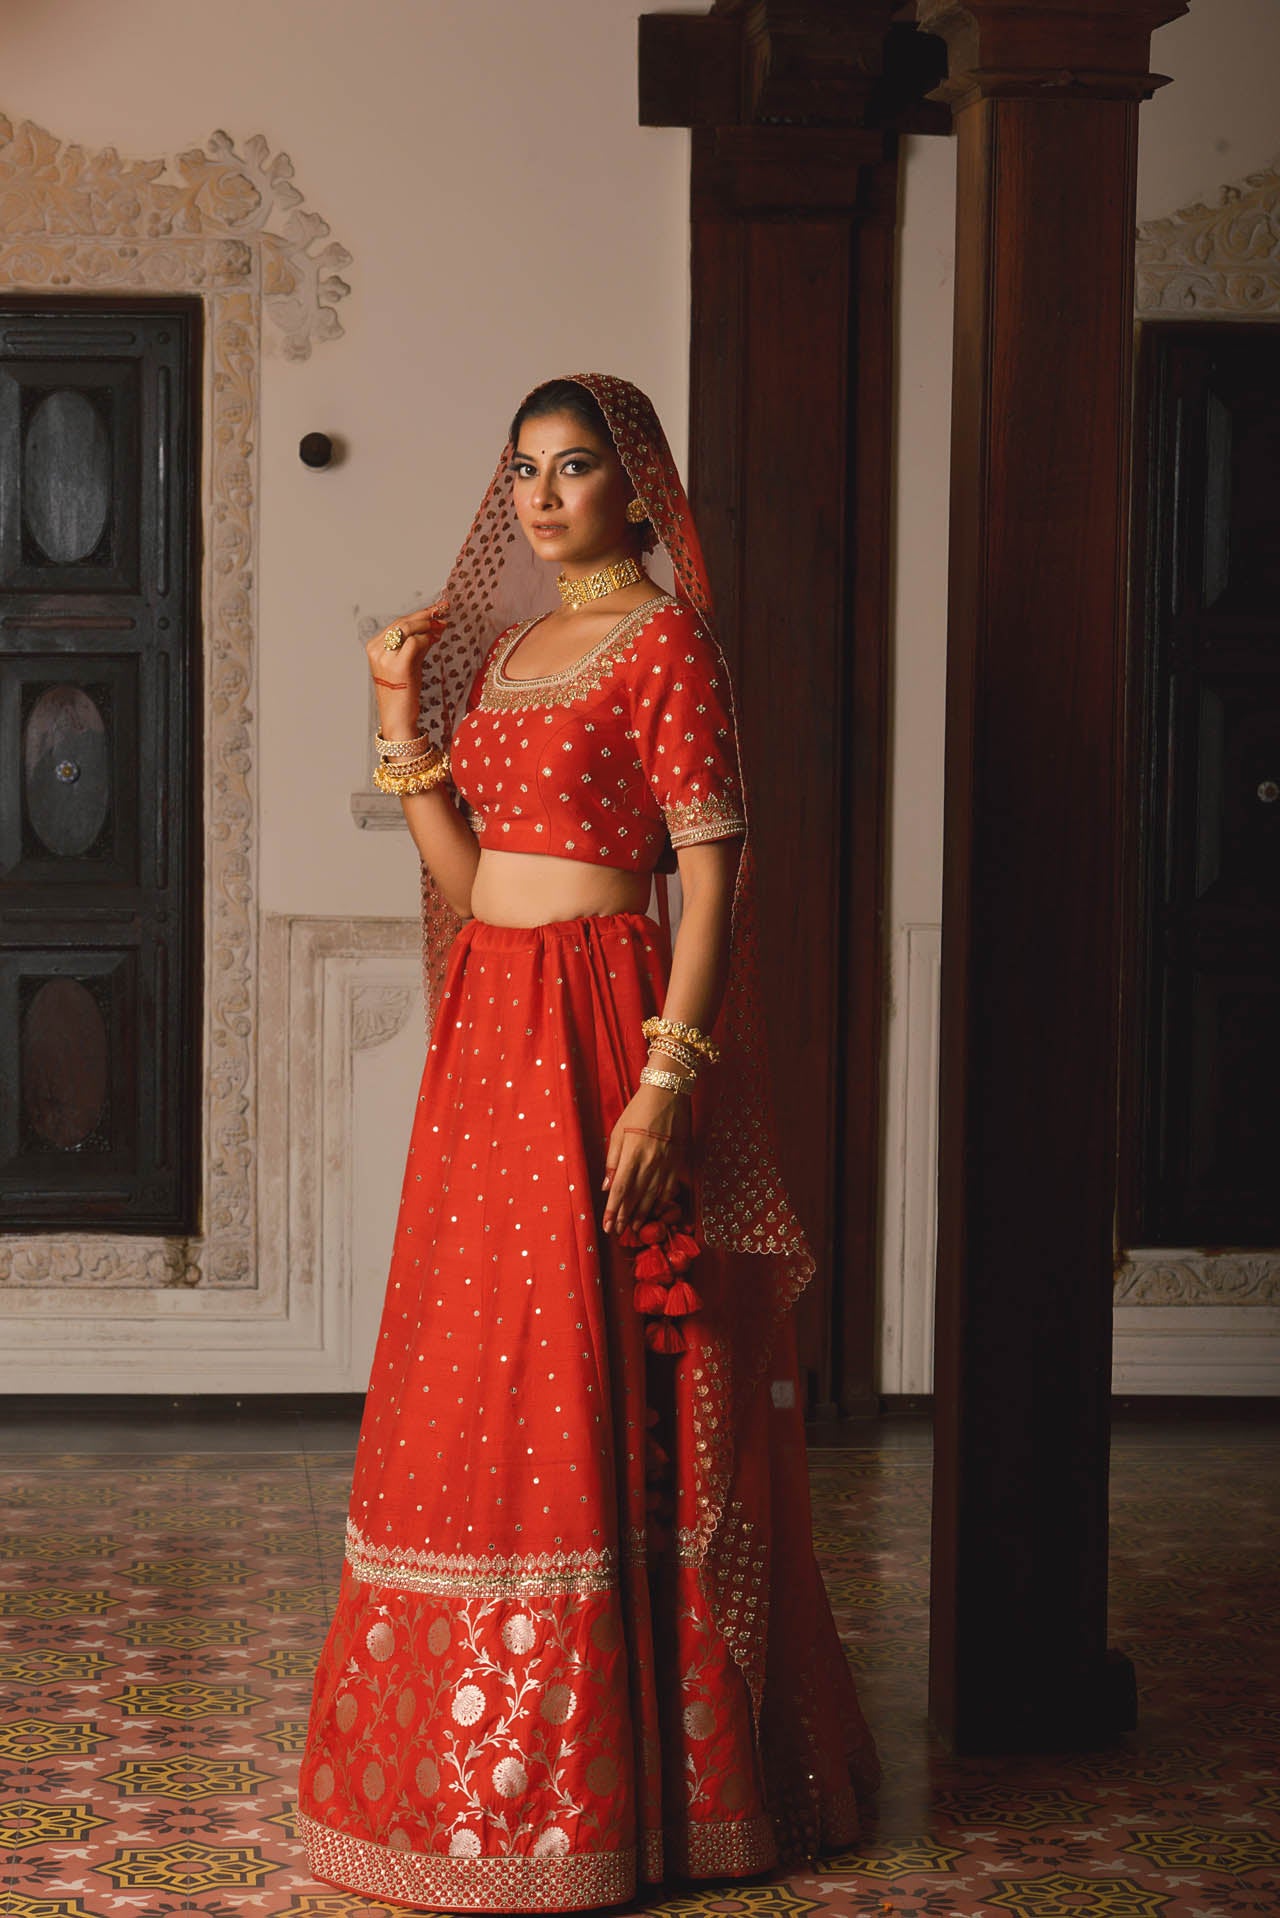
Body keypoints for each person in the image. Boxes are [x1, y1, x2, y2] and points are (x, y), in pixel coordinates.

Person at [296, 374, 878, 1912]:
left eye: (576, 469)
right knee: (476, 1371)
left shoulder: (667, 642)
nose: (545, 498)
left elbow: (709, 871)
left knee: (598, 1371)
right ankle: (469, 1786)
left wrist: (667, 1078)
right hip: (490, 1041)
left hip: (601, 1034)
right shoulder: (501, 652)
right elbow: (469, 868)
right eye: (524, 472)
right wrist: (393, 717)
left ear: (636, 489)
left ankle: (624, 1798)